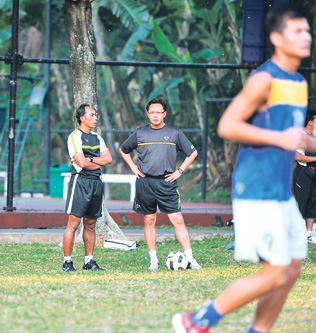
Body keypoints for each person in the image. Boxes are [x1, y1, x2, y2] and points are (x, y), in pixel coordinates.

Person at [172, 5, 316, 333]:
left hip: (280, 190)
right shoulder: (265, 78)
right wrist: (282, 137)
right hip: (255, 187)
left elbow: (297, 138)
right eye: (297, 31)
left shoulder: (298, 82)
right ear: (277, 38)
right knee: (277, 272)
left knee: (292, 269)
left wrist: (303, 140)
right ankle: (195, 321)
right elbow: (228, 125)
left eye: (308, 30)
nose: (306, 36)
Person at [119, 98, 201, 271]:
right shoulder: (140, 133)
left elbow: (192, 153)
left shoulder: (174, 133)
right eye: (152, 112)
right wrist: (133, 167)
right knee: (149, 220)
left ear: (164, 114)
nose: (155, 115)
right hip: (145, 182)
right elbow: (123, 149)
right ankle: (153, 260)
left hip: (166, 182)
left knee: (177, 219)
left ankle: (190, 259)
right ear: (148, 114)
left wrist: (179, 171)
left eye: (159, 112)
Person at [62, 104, 112, 272]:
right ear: (82, 118)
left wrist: (90, 160)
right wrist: (95, 161)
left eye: (95, 114)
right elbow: (81, 164)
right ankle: (67, 262)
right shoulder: (75, 137)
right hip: (80, 182)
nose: (95, 117)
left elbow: (109, 159)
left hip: (96, 182)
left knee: (90, 224)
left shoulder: (98, 138)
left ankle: (88, 261)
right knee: (73, 223)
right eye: (92, 115)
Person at [292, 110, 316, 244]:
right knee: (301, 202)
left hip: (314, 173)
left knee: (313, 203)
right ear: (311, 122)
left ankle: (308, 234)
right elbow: (298, 156)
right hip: (303, 173)